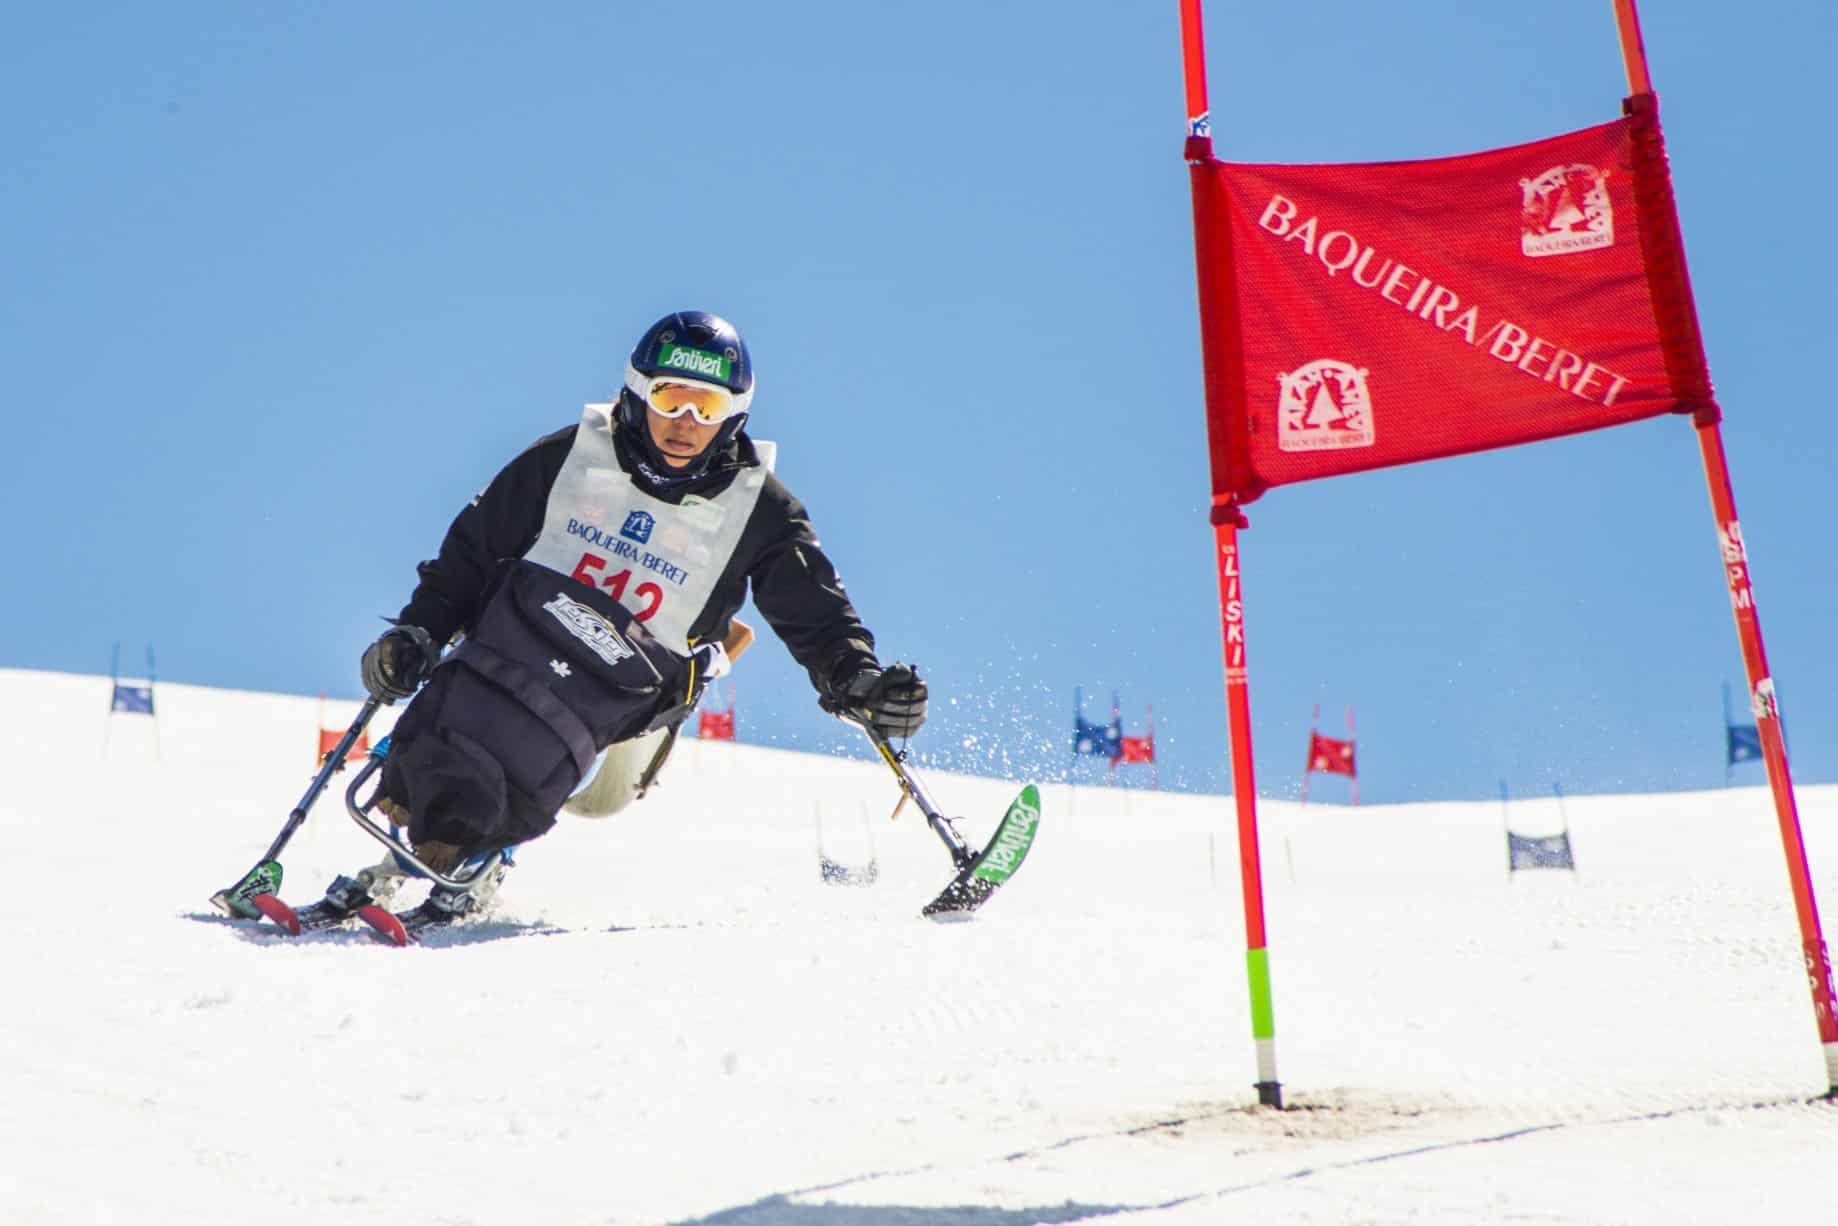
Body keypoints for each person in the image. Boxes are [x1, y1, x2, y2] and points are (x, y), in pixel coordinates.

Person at [330, 310, 927, 923]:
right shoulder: (568, 457)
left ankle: (481, 849)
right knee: (480, 713)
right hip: (519, 645)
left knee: (596, 798)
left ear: (736, 414)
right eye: (671, 398)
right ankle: (409, 863)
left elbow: (818, 615)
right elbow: (471, 554)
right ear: (638, 393)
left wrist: (859, 681)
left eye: (708, 407)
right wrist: (419, 632)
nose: (686, 423)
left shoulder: (762, 509)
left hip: (633, 696)